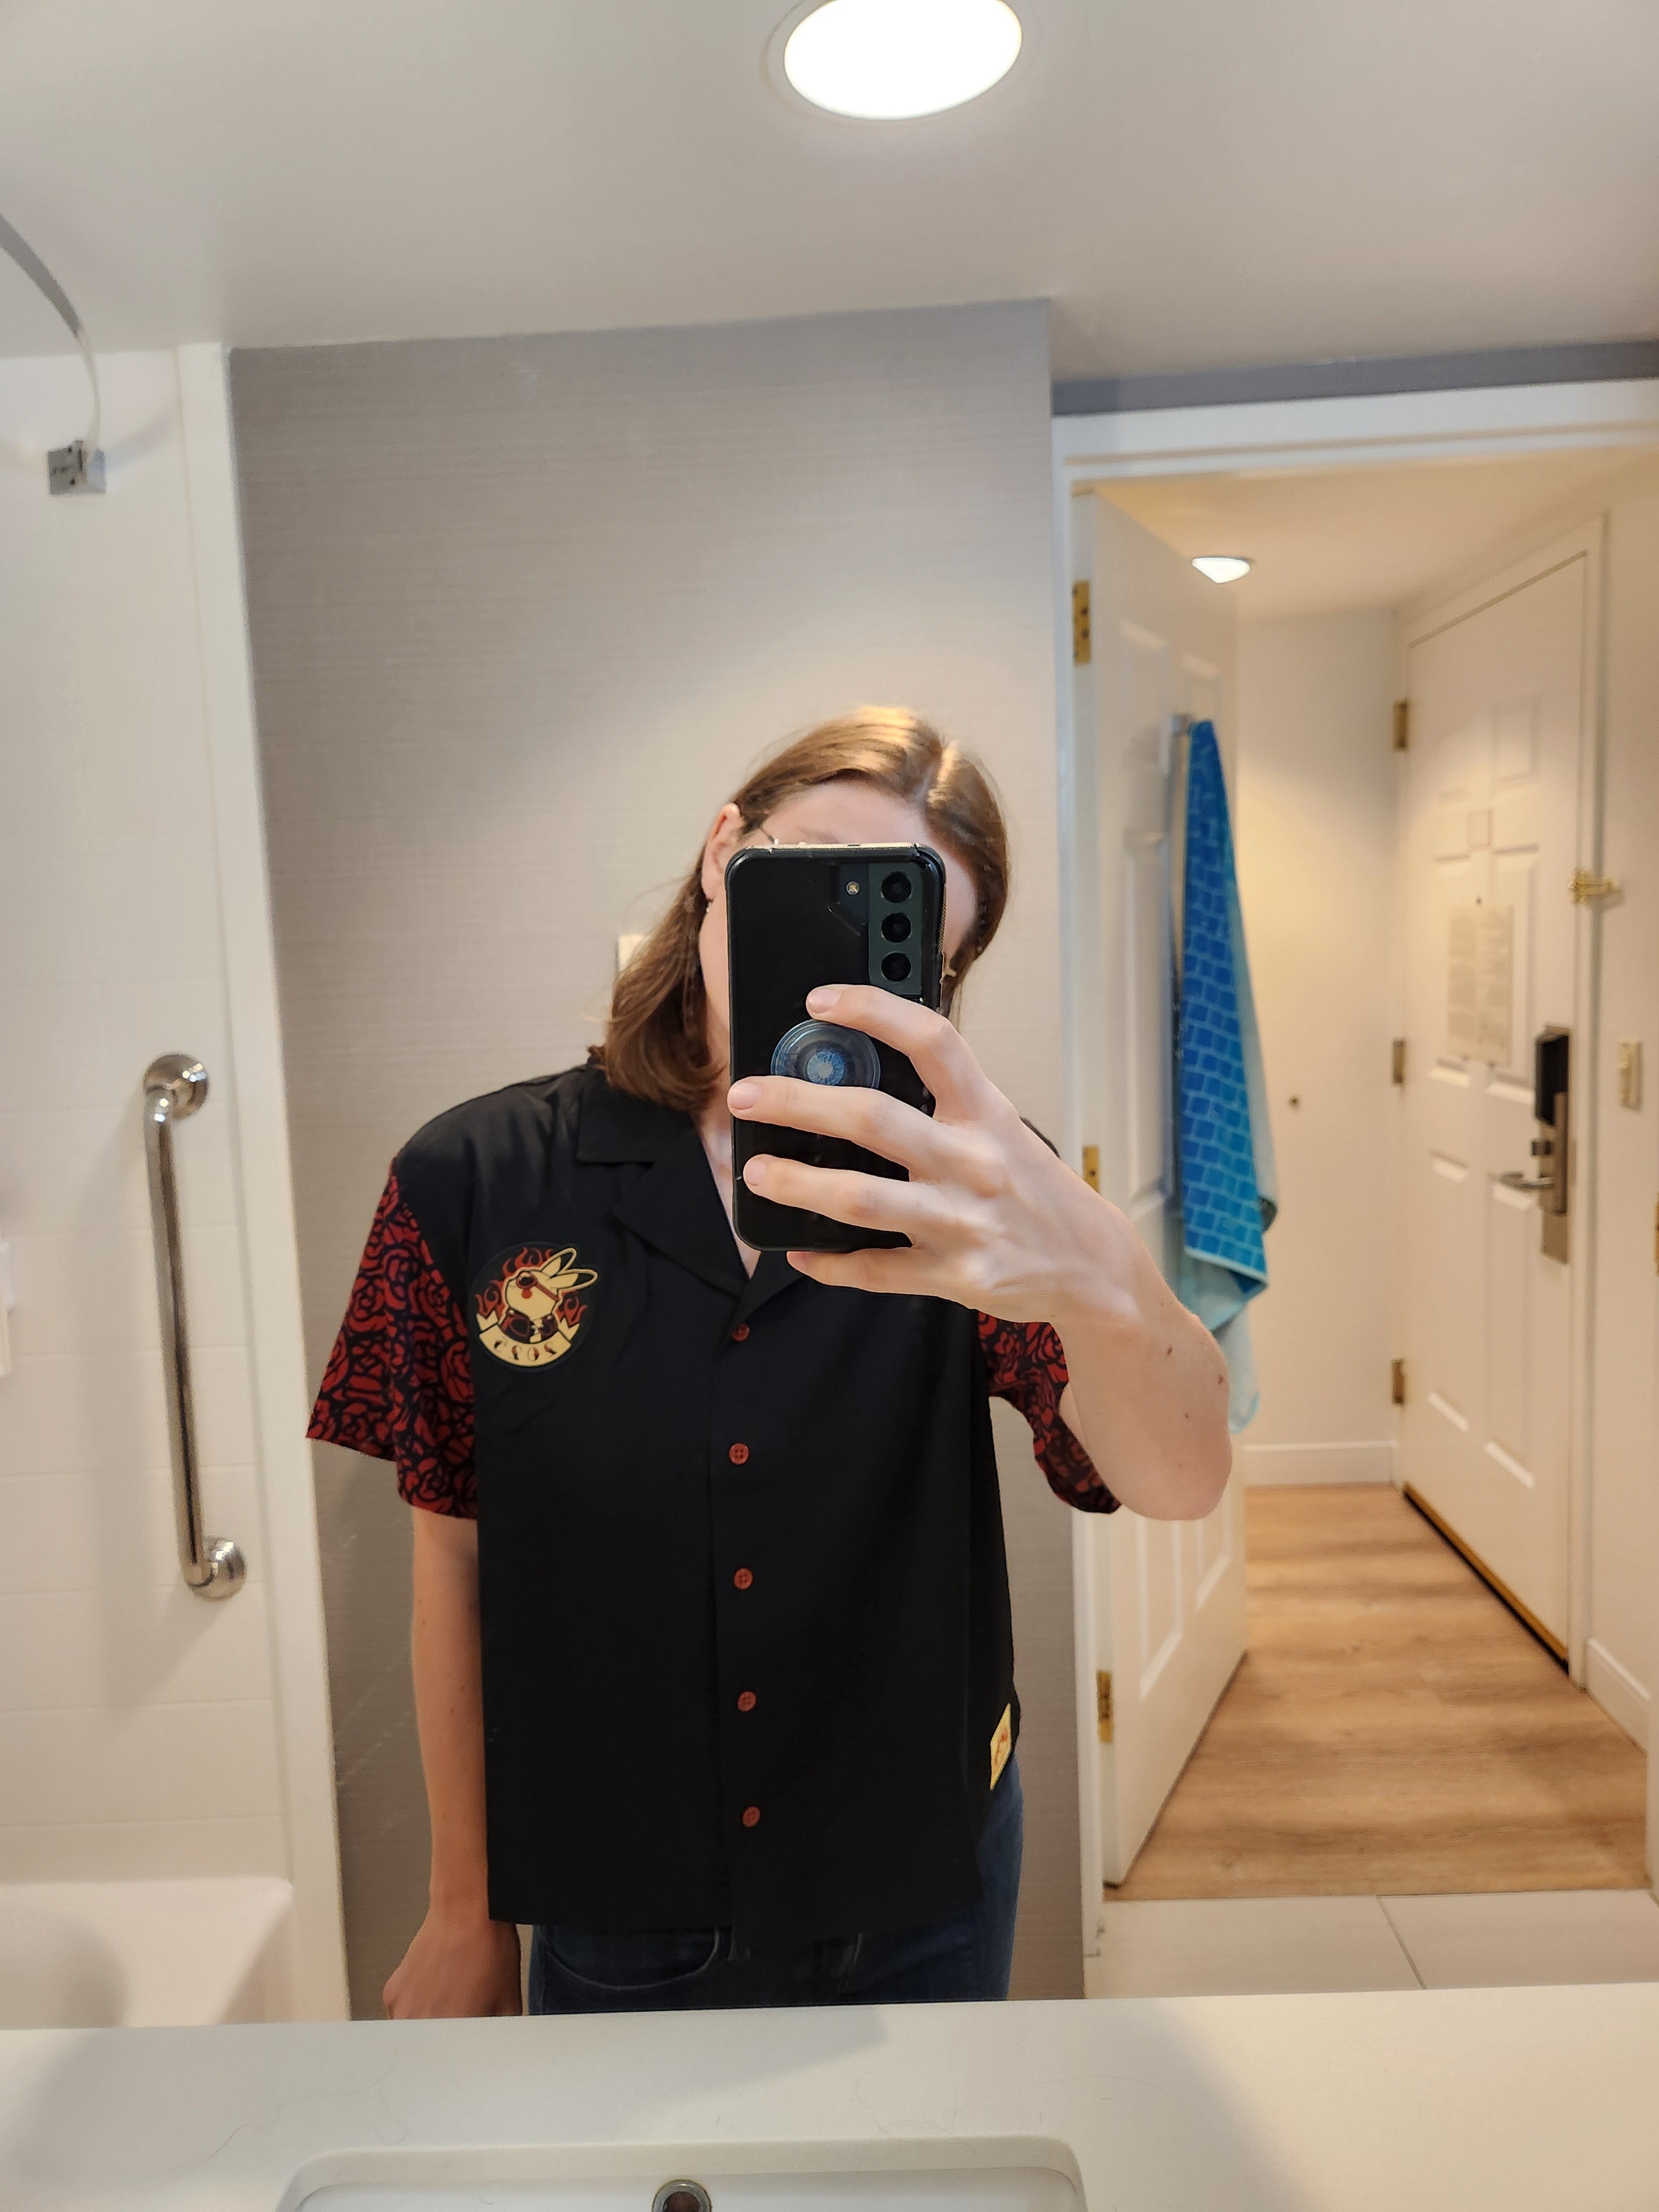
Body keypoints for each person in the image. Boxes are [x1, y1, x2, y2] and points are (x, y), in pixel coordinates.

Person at [308, 707, 1231, 2018]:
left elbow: (1178, 1480)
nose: (839, 957)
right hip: (618, 1887)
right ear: (722, 851)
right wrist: (466, 1906)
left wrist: (1100, 1278)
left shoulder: (972, 1198)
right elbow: (453, 1556)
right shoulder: (472, 1178)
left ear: (938, 983)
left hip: (917, 1872)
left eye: (899, 930)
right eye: (813, 871)